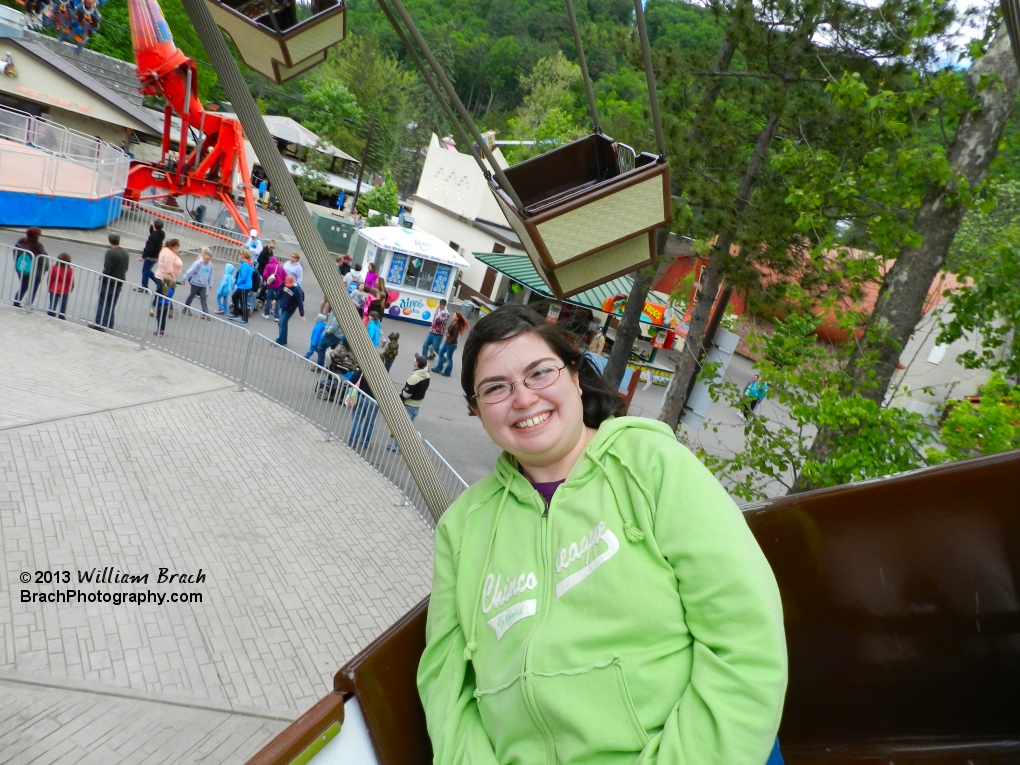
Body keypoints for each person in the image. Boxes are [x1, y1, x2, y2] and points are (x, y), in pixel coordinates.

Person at [416, 304, 787, 765]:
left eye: (539, 373)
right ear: (476, 410)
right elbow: (445, 681)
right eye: (496, 388)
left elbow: (745, 638)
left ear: (574, 376)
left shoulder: (652, 466)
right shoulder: (464, 526)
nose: (524, 398)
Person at [387, 353, 430, 451]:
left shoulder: (414, 377)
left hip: (409, 404)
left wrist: (400, 396)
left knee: (403, 428)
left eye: (415, 361)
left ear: (417, 364)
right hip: (417, 404)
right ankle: (398, 445)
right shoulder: (427, 375)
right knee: (407, 427)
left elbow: (406, 394)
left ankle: (398, 447)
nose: (414, 362)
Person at [93, 233, 130, 330]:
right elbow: (126, 268)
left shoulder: (110, 253)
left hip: (108, 281)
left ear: (110, 242)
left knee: (103, 302)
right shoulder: (125, 253)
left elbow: (107, 268)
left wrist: (103, 277)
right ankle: (109, 323)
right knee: (112, 303)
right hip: (119, 282)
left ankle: (100, 323)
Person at [13, 226, 47, 308]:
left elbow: (15, 254)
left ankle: (16, 302)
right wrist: (45, 269)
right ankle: (28, 305)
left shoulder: (20, 243)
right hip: (36, 271)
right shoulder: (38, 246)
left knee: (24, 286)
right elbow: (44, 258)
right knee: (33, 289)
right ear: (36, 236)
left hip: (23, 268)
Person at [346, 368, 377, 450]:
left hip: (360, 397)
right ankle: (365, 442)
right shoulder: (382, 375)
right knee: (370, 422)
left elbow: (351, 381)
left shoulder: (363, 369)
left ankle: (352, 441)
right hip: (373, 401)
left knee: (357, 420)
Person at [153, 239, 183, 318]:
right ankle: (165, 309)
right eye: (177, 247)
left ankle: (158, 307)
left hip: (161, 275)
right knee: (168, 292)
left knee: (161, 292)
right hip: (166, 277)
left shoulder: (165, 250)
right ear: (174, 246)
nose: (177, 248)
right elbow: (169, 267)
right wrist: (173, 279)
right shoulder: (169, 253)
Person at [433, 311, 468, 377]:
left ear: (457, 318)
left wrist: (450, 341)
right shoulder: (453, 322)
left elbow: (455, 336)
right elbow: (450, 332)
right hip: (447, 342)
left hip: (451, 344)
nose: (453, 316)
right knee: (440, 353)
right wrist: (448, 334)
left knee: (449, 358)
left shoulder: (456, 325)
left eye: (454, 315)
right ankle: (439, 368)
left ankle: (447, 372)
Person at [182, 248, 214, 317]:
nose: (206, 260)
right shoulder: (198, 263)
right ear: (203, 257)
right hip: (195, 283)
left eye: (208, 259)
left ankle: (205, 313)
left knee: (203, 299)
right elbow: (190, 271)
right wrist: (184, 279)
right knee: (191, 296)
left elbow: (210, 275)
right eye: (205, 259)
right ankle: (186, 308)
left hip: (203, 285)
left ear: (210, 259)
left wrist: (210, 283)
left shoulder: (210, 265)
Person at [274, 275, 305, 346]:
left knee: (281, 322)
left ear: (293, 281)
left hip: (290, 308)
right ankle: (284, 340)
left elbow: (300, 303)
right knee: (284, 323)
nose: (288, 286)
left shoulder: (297, 290)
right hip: (284, 305)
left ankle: (280, 341)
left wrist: (302, 314)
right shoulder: (284, 284)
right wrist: (275, 299)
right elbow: (280, 291)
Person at [137, 219, 164, 292]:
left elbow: (149, 248)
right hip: (156, 255)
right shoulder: (160, 233)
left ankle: (145, 286)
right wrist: (152, 227)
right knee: (147, 270)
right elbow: (153, 232)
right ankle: (158, 283)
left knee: (145, 271)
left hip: (151, 256)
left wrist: (143, 256)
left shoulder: (153, 236)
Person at [46, 253, 74, 320]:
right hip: (64, 290)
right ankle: (61, 317)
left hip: (54, 288)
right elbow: (71, 280)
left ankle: (51, 315)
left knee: (52, 305)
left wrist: (49, 286)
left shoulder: (54, 267)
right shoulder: (70, 270)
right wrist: (71, 287)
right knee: (63, 306)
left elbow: (50, 278)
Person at [230, 251, 254, 325]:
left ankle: (244, 320)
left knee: (243, 302)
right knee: (234, 297)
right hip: (246, 285)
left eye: (241, 254)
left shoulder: (245, 265)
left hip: (244, 285)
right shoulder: (250, 264)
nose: (240, 255)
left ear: (244, 255)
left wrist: (237, 282)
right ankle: (235, 314)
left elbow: (243, 277)